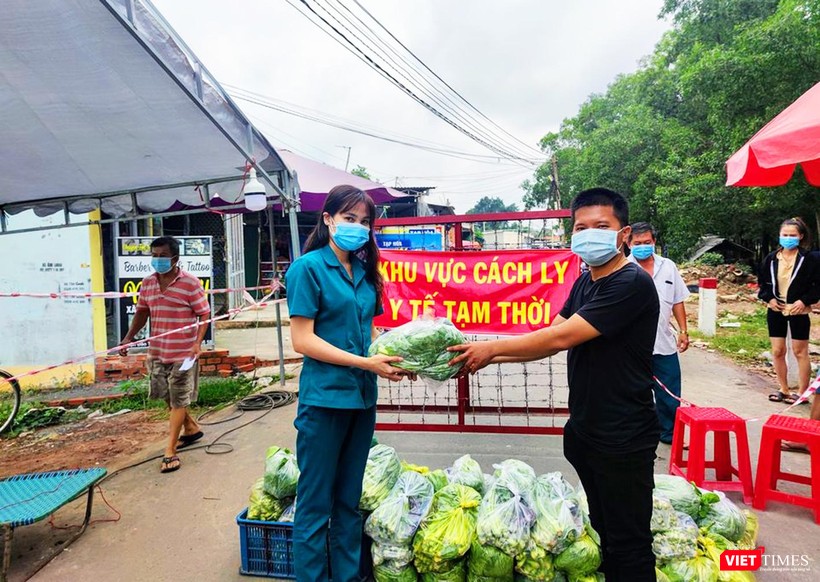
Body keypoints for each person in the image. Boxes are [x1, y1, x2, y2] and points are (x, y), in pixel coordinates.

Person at [450, 188, 660, 581]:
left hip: (624, 436)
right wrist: (485, 356)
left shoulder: (629, 284)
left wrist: (490, 347)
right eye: (581, 227)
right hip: (588, 430)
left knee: (629, 542)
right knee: (605, 530)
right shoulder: (585, 283)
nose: (589, 234)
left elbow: (560, 339)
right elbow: (552, 335)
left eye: (602, 226)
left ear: (624, 234)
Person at [286, 185, 409, 582]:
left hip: (361, 400)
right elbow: (303, 339)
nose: (357, 227)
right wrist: (365, 363)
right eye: (348, 218)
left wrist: (389, 359)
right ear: (328, 220)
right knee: (314, 503)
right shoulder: (308, 268)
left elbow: (368, 335)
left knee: (348, 502)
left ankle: (347, 576)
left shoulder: (367, 275)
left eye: (364, 221)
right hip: (324, 402)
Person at [119, 236, 210, 473]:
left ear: (175, 258)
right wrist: (129, 337)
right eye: (154, 256)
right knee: (166, 396)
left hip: (184, 352)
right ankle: (190, 428)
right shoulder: (148, 283)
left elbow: (205, 315)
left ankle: (170, 450)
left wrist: (197, 344)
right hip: (158, 350)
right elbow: (141, 313)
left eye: (162, 256)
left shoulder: (190, 283)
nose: (157, 260)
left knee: (178, 397)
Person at [628, 222, 690, 444]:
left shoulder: (668, 267)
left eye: (647, 243)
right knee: (633, 392)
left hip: (663, 342)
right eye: (638, 243)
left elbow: (677, 300)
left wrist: (683, 330)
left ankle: (670, 433)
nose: (643, 246)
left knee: (670, 392)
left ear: (654, 242)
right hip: (630, 346)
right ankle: (636, 432)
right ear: (628, 243)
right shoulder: (623, 268)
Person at [758, 217, 819, 405]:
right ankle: (783, 388)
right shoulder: (771, 258)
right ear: (779, 236)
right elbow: (763, 284)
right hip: (776, 308)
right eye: (785, 235)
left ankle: (802, 392)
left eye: (793, 235)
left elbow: (817, 285)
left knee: (800, 351)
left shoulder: (809, 259)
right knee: (777, 350)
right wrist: (769, 298)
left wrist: (805, 301)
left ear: (801, 236)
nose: (788, 238)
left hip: (798, 310)